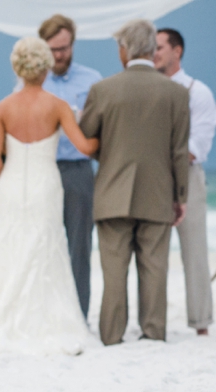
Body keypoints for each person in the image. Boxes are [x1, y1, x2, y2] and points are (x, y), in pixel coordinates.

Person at [0, 37, 99, 355]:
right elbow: (84, 147)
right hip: (46, 184)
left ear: (18, 67)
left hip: (13, 185)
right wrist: (102, 137)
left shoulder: (3, 106)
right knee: (46, 246)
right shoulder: (57, 106)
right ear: (44, 67)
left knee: (6, 244)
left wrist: (9, 177)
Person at [80, 19, 190, 346]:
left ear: (124, 49)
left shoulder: (103, 90)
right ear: (149, 48)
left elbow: (86, 137)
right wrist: (180, 196)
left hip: (112, 191)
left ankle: (112, 335)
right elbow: (179, 151)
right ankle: (153, 332)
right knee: (155, 268)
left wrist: (111, 157)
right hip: (158, 192)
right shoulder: (176, 93)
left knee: (114, 271)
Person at [37, 14, 102, 319]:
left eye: (64, 48)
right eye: (52, 49)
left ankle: (79, 316)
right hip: (43, 169)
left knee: (79, 247)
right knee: (42, 244)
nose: (59, 55)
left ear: (73, 44)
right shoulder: (33, 82)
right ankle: (44, 313)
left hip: (78, 170)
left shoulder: (92, 80)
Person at [155, 28, 216, 336]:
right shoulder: (148, 89)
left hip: (188, 176)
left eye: (160, 47)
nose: (154, 52)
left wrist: (160, 152)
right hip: (152, 178)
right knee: (153, 252)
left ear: (177, 51)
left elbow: (199, 146)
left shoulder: (198, 92)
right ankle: (154, 323)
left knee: (194, 250)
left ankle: (201, 321)